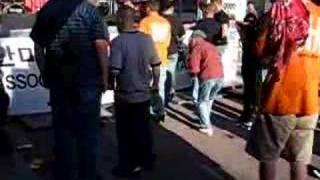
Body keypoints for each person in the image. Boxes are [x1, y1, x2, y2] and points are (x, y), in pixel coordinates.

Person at [30, 0, 109, 179]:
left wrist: (44, 71)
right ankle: (87, 173)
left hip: (59, 80)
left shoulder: (48, 9)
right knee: (88, 130)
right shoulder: (89, 11)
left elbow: (38, 45)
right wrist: (104, 77)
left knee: (63, 129)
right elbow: (100, 45)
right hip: (87, 78)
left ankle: (64, 172)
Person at [246, 0, 320, 180]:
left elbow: (260, 50)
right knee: (300, 159)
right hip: (310, 99)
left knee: (268, 156)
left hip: (279, 97)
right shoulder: (318, 13)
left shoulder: (282, 9)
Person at [110, 6, 160, 178]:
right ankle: (146, 159)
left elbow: (115, 70)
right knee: (144, 129)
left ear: (122, 20)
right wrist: (156, 85)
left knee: (125, 134)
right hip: (144, 94)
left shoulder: (117, 42)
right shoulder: (147, 39)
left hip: (125, 95)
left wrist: (110, 84)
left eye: (117, 19)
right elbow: (156, 66)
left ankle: (127, 165)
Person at [188, 30, 224, 136]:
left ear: (194, 39)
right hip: (220, 76)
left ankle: (206, 126)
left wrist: (192, 74)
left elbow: (194, 67)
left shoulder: (197, 48)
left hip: (208, 76)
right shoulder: (212, 46)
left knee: (202, 101)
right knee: (209, 100)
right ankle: (205, 120)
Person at [139, 0, 171, 114]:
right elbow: (167, 42)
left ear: (148, 8)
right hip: (162, 57)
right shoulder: (166, 22)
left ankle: (149, 110)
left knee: (147, 86)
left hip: (148, 59)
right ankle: (159, 109)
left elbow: (140, 43)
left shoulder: (145, 22)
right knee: (160, 86)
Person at [161, 0, 185, 104]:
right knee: (170, 74)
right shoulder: (176, 20)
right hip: (173, 51)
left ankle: (162, 97)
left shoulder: (159, 19)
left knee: (161, 77)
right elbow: (182, 36)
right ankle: (169, 95)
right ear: (171, 8)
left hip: (160, 51)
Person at [238, 1, 259, 126]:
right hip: (248, 57)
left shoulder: (254, 20)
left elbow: (250, 28)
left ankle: (250, 116)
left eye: (251, 6)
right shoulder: (250, 18)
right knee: (248, 89)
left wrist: (243, 26)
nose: (249, 9)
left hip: (253, 58)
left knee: (252, 90)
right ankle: (246, 114)